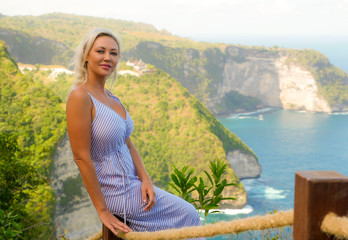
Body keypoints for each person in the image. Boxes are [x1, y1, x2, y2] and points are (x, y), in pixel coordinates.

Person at [66, 28, 202, 237]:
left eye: (113, 53)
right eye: (100, 51)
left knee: (177, 224)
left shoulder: (112, 98)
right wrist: (102, 211)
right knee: (189, 215)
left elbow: (127, 144)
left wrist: (145, 179)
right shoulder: (80, 96)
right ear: (86, 55)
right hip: (115, 191)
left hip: (133, 184)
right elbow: (81, 157)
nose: (107, 58)